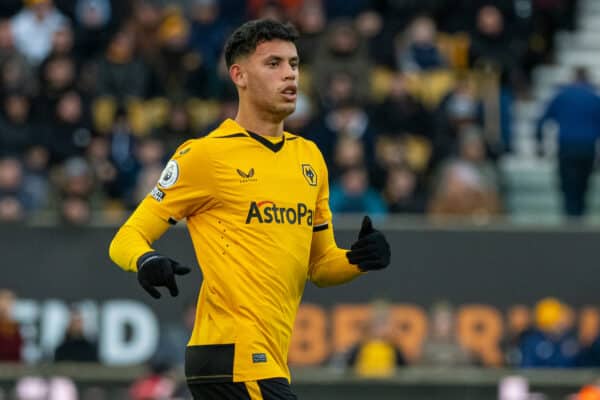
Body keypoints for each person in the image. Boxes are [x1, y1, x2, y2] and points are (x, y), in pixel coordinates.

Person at [109, 19, 391, 400]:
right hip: (232, 353)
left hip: (267, 360)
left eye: (293, 63)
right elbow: (126, 236)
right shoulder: (205, 155)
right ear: (239, 75)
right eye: (273, 64)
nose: (289, 74)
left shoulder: (309, 158)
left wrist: (358, 259)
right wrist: (145, 260)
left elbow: (320, 266)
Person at [536, 67, 600, 217]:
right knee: (583, 186)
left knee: (568, 186)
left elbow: (542, 120)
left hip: (567, 147)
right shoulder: (594, 98)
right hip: (587, 148)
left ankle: (570, 218)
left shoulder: (562, 96)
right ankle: (579, 217)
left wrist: (539, 143)